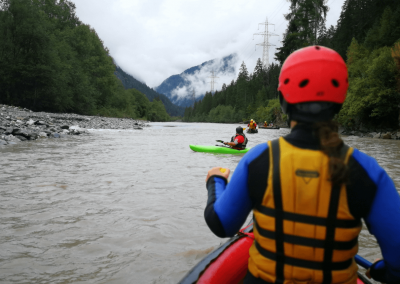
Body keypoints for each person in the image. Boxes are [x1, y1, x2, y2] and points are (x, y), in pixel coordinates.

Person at [204, 46, 400, 284]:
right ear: (340, 98)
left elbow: (221, 224)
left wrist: (215, 181)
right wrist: (381, 271)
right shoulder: (367, 170)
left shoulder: (258, 160)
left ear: (283, 99)